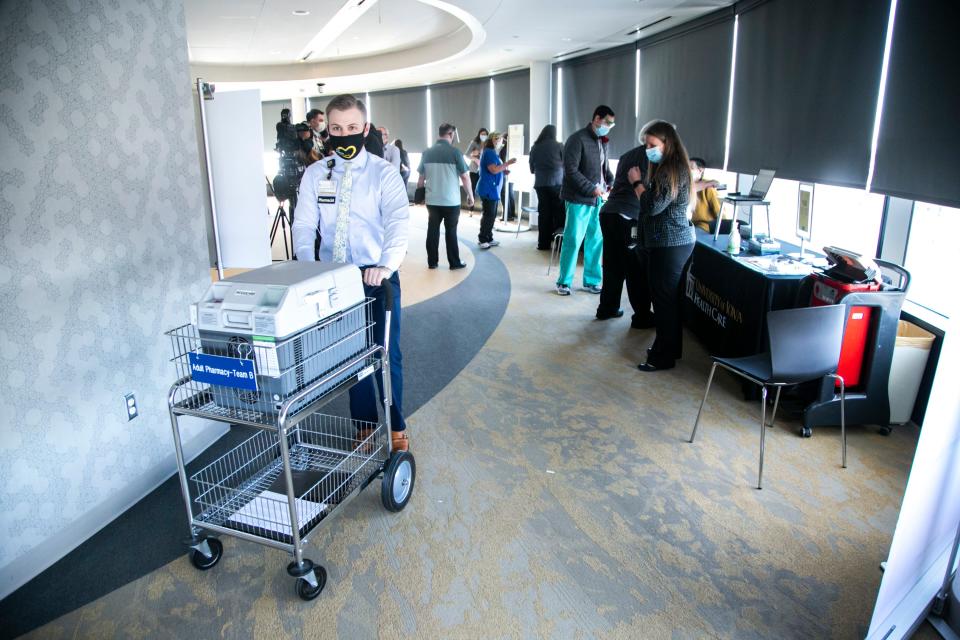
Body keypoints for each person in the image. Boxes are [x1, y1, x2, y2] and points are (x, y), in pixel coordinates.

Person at [292, 94, 411, 450]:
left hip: (377, 278)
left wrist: (385, 265)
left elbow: (398, 223)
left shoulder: (383, 174)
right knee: (350, 355)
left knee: (386, 353)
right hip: (335, 281)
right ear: (327, 131)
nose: (345, 135)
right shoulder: (315, 174)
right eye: (337, 129)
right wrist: (308, 266)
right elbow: (303, 225)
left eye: (353, 128)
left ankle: (396, 424)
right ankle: (363, 424)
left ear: (365, 129)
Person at [626, 120, 696, 372]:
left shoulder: (669, 170)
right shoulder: (673, 167)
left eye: (652, 144)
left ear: (667, 143)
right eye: (646, 144)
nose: (648, 149)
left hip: (669, 244)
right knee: (670, 300)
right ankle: (670, 349)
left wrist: (636, 182)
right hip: (676, 241)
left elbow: (653, 206)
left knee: (664, 302)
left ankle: (662, 356)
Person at [556, 105, 615, 296]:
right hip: (578, 199)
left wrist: (612, 182)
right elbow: (571, 171)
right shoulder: (577, 139)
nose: (609, 126)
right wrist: (591, 188)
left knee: (596, 240)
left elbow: (603, 169)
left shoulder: (603, 141)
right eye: (607, 122)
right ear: (597, 118)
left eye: (612, 124)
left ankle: (591, 280)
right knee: (573, 240)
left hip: (599, 200)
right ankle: (564, 282)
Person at [594, 141, 655, 327]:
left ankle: (607, 308)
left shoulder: (627, 154)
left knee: (612, 264)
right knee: (635, 268)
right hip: (628, 217)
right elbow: (647, 193)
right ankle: (642, 316)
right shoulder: (652, 159)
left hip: (609, 212)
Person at [418, 123, 473, 269]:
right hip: (451, 201)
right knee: (451, 232)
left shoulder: (427, 152)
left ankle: (432, 262)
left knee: (432, 231)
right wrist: (470, 196)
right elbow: (465, 177)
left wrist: (419, 195)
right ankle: (454, 263)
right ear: (451, 134)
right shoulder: (455, 153)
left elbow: (421, 178)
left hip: (432, 200)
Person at [476, 131, 515, 249]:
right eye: (500, 140)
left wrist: (503, 171)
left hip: (493, 189)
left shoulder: (492, 152)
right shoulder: (489, 153)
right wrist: (507, 164)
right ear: (494, 140)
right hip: (488, 188)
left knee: (491, 215)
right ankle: (483, 239)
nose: (501, 143)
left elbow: (496, 168)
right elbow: (493, 170)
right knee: (489, 215)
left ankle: (489, 237)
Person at [528, 124, 564, 250]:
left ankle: (543, 244)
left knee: (544, 214)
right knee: (559, 213)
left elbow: (532, 169)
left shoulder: (535, 147)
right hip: (557, 183)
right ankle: (559, 245)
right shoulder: (559, 146)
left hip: (540, 184)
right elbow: (567, 164)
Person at [689, 156, 722, 232]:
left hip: (703, 227)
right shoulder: (684, 187)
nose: (687, 171)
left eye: (691, 168)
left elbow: (719, 213)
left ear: (700, 170)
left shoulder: (708, 187)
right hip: (689, 225)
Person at [465, 128, 488, 212]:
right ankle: (471, 209)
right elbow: (466, 154)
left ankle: (484, 210)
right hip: (474, 169)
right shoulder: (474, 143)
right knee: (472, 188)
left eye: (485, 134)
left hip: (484, 170)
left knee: (483, 189)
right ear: (479, 134)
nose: (483, 136)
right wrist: (475, 158)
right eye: (482, 134)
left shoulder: (488, 144)